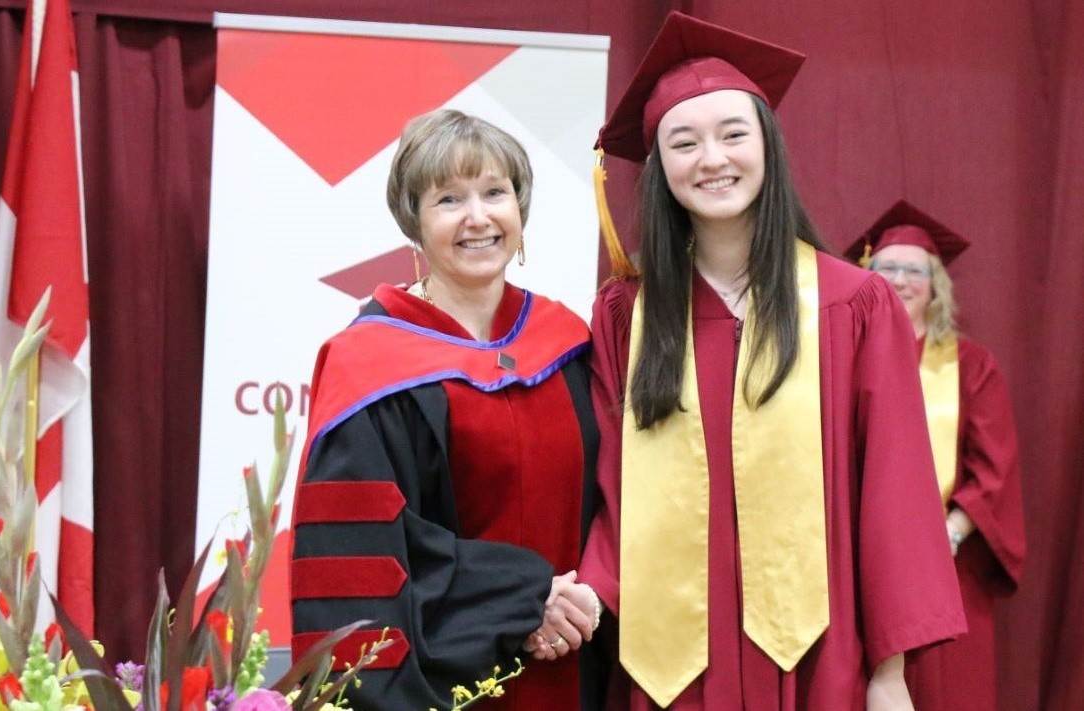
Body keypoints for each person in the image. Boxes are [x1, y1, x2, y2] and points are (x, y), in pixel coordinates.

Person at [575, 12, 966, 710]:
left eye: (733, 134)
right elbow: (610, 487)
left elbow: (894, 490)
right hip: (670, 661)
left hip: (821, 652)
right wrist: (585, 593)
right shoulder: (626, 315)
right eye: (683, 142)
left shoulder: (853, 304)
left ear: (768, 147)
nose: (712, 159)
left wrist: (889, 672)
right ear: (660, 166)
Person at [289, 108, 605, 711]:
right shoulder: (371, 364)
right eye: (449, 200)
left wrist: (582, 600)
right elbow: (363, 561)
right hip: (448, 679)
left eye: (495, 193)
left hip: (576, 655)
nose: (478, 217)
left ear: (520, 210)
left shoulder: (567, 341)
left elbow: (615, 497)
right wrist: (523, 598)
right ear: (415, 223)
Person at [846, 201, 1026, 711]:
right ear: (864, 276)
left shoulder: (971, 366)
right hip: (854, 561)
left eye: (912, 269)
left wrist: (943, 534)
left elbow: (994, 469)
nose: (898, 280)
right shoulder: (840, 357)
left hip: (947, 565)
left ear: (935, 284)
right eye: (885, 267)